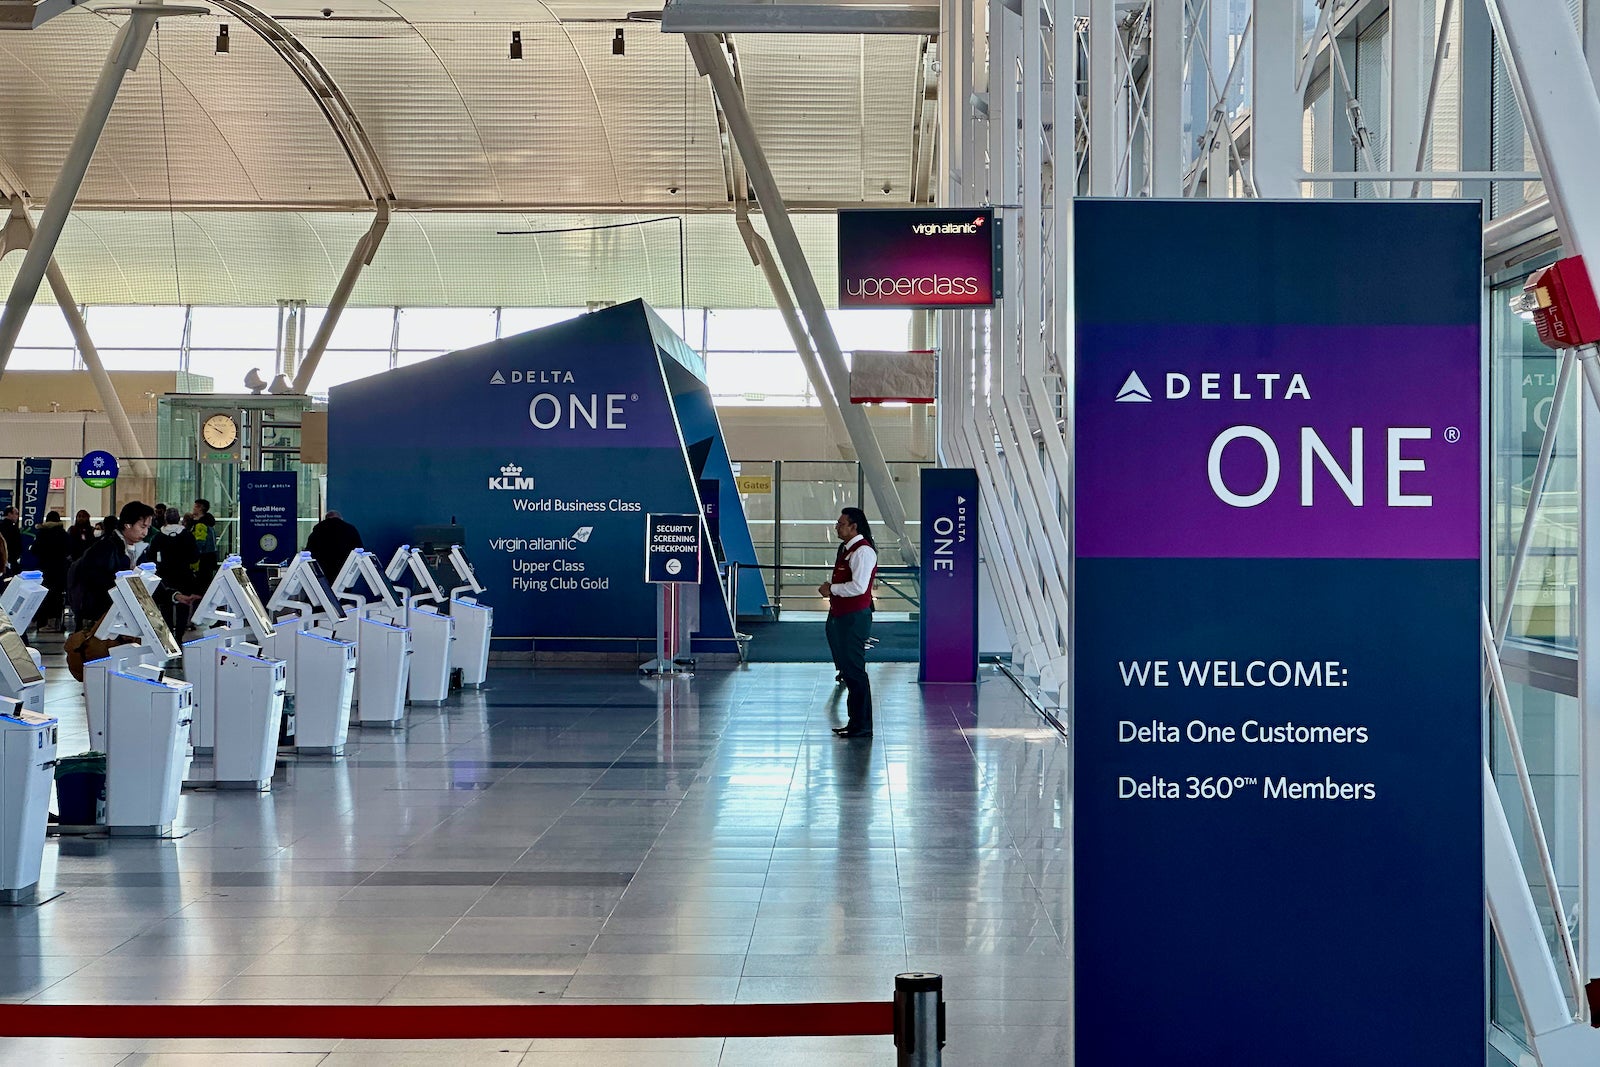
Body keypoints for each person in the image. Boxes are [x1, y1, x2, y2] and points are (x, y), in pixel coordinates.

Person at [818, 507, 877, 738]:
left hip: (854, 618)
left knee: (855, 670)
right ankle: (855, 721)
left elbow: (859, 587)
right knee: (848, 671)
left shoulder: (863, 552)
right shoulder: (846, 549)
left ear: (854, 526)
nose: (837, 527)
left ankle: (862, 724)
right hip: (842, 616)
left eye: (841, 524)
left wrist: (830, 589)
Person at [148, 507, 201, 635]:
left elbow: (151, 557)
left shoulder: (158, 537)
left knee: (166, 605)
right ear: (179, 519)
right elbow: (195, 556)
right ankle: (180, 635)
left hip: (164, 575)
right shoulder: (187, 535)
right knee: (184, 604)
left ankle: (169, 634)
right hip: (184, 575)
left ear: (165, 519)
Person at [30, 511, 71, 629]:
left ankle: (43, 622)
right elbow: (69, 549)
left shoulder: (42, 533)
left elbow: (34, 550)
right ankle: (56, 621)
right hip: (59, 570)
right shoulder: (63, 534)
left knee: (44, 596)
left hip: (44, 569)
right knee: (57, 596)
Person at [306, 510, 363, 581]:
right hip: (345, 566)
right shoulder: (350, 529)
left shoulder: (318, 530)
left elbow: (309, 550)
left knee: (324, 589)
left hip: (323, 567)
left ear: (326, 519)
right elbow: (359, 548)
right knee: (342, 589)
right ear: (341, 518)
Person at [191, 498, 219, 587]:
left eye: (195, 506)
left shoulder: (200, 524)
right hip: (211, 558)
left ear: (200, 508)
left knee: (201, 585)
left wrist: (193, 556)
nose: (193, 508)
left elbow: (199, 543)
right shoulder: (209, 523)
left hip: (202, 560)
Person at [0, 506, 20, 577]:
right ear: (9, 514)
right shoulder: (14, 529)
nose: (17, 516)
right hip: (12, 560)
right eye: (16, 513)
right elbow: (17, 545)